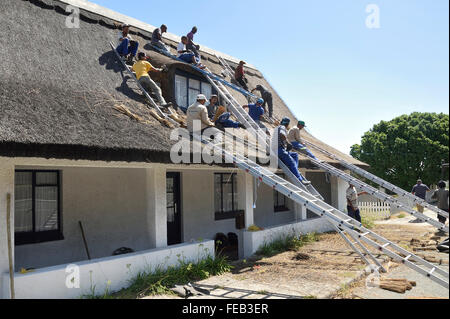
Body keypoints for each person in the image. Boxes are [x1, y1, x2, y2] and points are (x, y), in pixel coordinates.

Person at [271, 118, 308, 184]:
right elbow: (282, 135)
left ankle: (295, 169)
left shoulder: (277, 128)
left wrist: (286, 146)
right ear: (287, 124)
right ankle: (300, 180)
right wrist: (287, 143)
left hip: (276, 149)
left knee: (295, 155)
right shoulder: (282, 127)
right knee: (292, 163)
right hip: (279, 150)